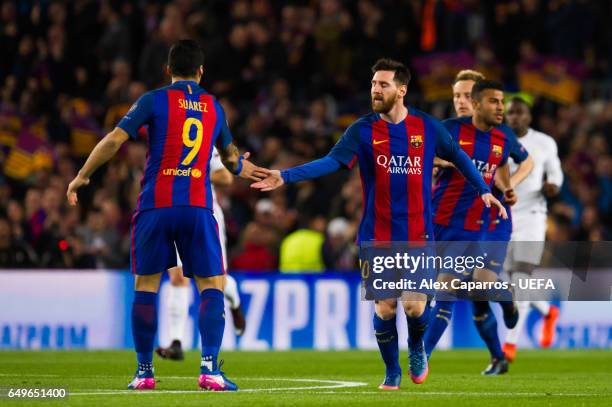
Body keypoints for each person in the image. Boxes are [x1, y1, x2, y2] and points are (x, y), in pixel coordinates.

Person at [251, 58, 506, 390]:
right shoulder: (363, 130)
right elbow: (331, 162)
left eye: (383, 84)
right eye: (374, 84)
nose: (376, 89)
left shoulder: (427, 127)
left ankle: (417, 348)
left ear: (402, 90)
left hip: (418, 234)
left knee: (415, 307)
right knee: (385, 309)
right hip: (378, 234)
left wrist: (484, 192)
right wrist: (285, 176)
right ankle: (392, 371)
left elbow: (458, 157)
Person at [66, 39, 267, 391]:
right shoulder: (213, 106)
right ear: (201, 72)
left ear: (168, 70)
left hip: (155, 206)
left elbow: (114, 140)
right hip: (197, 207)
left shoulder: (153, 100)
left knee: (146, 288)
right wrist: (251, 168)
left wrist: (83, 176)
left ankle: (144, 373)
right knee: (211, 287)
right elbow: (233, 162)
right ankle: (210, 371)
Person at [425, 78, 532, 376]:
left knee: (467, 287)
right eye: (456, 95)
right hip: (452, 219)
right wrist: (443, 163)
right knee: (476, 293)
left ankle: (421, 357)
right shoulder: (449, 129)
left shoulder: (501, 136)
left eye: (464, 94)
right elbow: (418, 155)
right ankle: (498, 355)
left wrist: (511, 188)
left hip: (491, 221)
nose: (459, 100)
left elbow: (512, 165)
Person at [155, 146, 246, 362]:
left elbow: (225, 177)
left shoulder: (204, 140)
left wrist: (191, 173)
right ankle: (176, 342)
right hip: (174, 214)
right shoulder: (163, 141)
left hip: (206, 214)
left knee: (216, 281)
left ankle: (234, 302)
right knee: (177, 277)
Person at [502, 97, 563, 361]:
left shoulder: (545, 143)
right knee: (506, 278)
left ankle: (510, 345)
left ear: (529, 116)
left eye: (520, 113)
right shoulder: (497, 140)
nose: (515, 117)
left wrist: (553, 186)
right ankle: (548, 312)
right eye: (511, 113)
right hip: (504, 216)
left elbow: (556, 174)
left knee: (521, 277)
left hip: (533, 216)